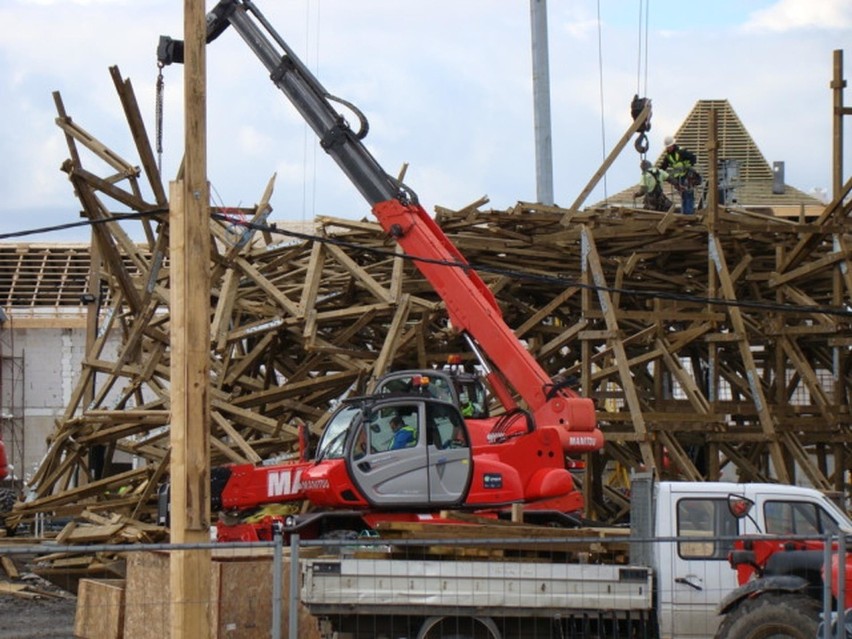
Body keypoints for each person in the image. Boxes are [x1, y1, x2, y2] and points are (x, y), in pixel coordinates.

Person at [660, 136, 699, 214]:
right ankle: (685, 214)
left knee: (688, 195)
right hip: (679, 178)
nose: (668, 148)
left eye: (669, 147)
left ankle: (689, 215)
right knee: (684, 196)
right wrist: (655, 172)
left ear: (673, 145)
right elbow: (663, 167)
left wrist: (687, 166)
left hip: (687, 176)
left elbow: (693, 158)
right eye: (667, 147)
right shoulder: (668, 156)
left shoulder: (682, 152)